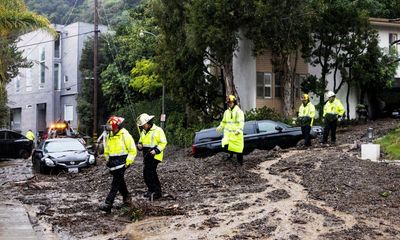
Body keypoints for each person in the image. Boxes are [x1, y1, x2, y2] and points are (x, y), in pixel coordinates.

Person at [99, 116, 137, 213]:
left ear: (118, 126)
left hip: (122, 162)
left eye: (113, 127)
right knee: (120, 182)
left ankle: (108, 203)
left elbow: (132, 150)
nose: (112, 129)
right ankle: (127, 198)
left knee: (115, 183)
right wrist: (107, 160)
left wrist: (128, 162)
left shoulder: (125, 135)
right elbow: (107, 149)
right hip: (112, 163)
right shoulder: (109, 136)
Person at [136, 113, 167, 201]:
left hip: (155, 156)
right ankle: (151, 190)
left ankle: (157, 192)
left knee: (151, 173)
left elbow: (163, 142)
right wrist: (139, 145)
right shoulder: (143, 132)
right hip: (146, 155)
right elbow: (141, 142)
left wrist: (156, 150)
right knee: (146, 174)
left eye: (143, 125)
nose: (142, 127)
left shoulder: (158, 130)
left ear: (148, 122)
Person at [217, 95, 245, 165]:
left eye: (230, 102)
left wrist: (239, 130)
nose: (229, 104)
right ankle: (230, 158)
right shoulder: (226, 112)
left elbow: (241, 122)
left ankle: (240, 163)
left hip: (236, 135)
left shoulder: (239, 112)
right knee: (227, 146)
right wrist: (220, 126)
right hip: (228, 135)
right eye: (228, 103)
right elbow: (224, 122)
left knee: (238, 149)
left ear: (234, 102)